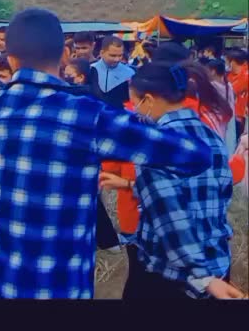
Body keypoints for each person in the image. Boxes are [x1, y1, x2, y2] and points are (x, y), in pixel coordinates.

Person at [0, 7, 215, 300]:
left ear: (11, 58)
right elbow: (196, 156)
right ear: (64, 55)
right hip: (59, 286)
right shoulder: (88, 116)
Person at [100, 60, 245, 300]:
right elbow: (216, 191)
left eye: (135, 103)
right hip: (217, 262)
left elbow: (170, 217)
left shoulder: (156, 144)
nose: (135, 110)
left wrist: (202, 277)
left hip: (175, 275)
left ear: (148, 100)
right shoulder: (209, 135)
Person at [89, 36, 135, 109]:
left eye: (120, 55)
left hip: (119, 114)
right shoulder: (91, 69)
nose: (117, 59)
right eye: (112, 55)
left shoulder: (130, 73)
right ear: (102, 53)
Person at [205, 58, 237, 154]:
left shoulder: (210, 86)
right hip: (227, 119)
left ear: (213, 71)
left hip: (213, 120)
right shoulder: (229, 86)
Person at [225, 48, 248, 142]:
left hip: (240, 115)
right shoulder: (229, 74)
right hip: (230, 113)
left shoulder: (246, 75)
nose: (226, 63)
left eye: (227, 61)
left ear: (233, 61)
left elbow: (232, 90)